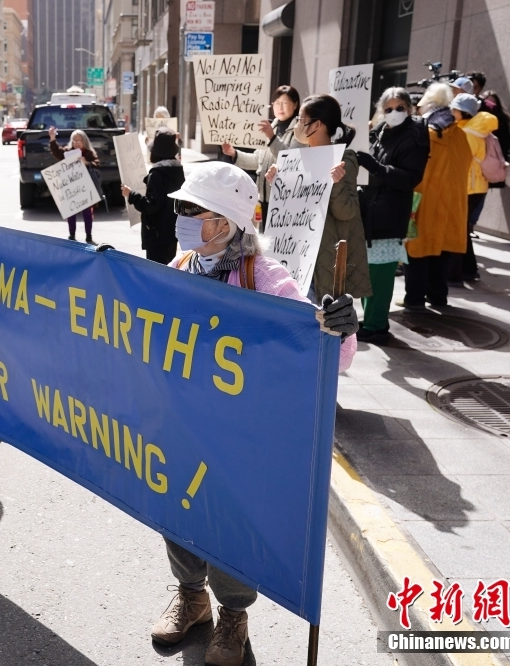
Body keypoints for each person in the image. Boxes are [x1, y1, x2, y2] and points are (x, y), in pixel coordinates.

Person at [153, 161, 358, 666]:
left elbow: (328, 352)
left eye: (189, 208)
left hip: (237, 442)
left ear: (223, 222)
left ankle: (233, 615)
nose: (177, 215)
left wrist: (340, 328)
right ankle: (192, 598)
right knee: (174, 513)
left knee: (229, 525)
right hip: (181, 427)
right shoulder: (179, 266)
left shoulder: (265, 278)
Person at [265, 94, 372, 304]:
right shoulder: (296, 159)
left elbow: (347, 212)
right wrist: (277, 182)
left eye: (301, 120)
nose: (297, 125)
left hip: (323, 261)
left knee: (318, 322)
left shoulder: (343, 159)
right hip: (295, 254)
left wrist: (337, 183)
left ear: (318, 125)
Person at [355, 88, 430, 343]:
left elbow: (410, 178)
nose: (394, 113)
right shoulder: (380, 131)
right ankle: (372, 319)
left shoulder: (415, 136)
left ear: (409, 108)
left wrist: (373, 165)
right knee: (369, 272)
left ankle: (377, 325)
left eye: (399, 107)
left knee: (381, 275)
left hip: (389, 214)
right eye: (388, 109)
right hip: (371, 212)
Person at [404, 83, 473, 309]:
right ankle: (438, 297)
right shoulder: (460, 134)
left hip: (424, 202)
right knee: (441, 252)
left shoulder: (427, 133)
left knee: (417, 251)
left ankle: (414, 299)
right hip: (451, 204)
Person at [221, 85, 301, 229]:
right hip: (263, 198)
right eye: (276, 103)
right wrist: (234, 153)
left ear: (295, 104)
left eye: (284, 102)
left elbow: (291, 159)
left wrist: (271, 137)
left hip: (285, 199)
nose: (280, 107)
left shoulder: (299, 130)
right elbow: (257, 161)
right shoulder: (271, 127)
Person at [450, 92, 498, 283]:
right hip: (476, 186)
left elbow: (460, 161)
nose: (452, 112)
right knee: (462, 229)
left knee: (458, 229)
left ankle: (459, 271)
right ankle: (469, 269)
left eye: (455, 109)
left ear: (463, 112)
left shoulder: (468, 133)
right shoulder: (474, 129)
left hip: (467, 186)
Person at [121, 127, 184, 264]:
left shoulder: (157, 174)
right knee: (169, 268)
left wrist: (131, 195)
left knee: (157, 271)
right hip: (172, 230)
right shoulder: (177, 170)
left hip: (157, 233)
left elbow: (151, 205)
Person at [48, 126, 100, 244]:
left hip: (85, 187)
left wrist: (86, 162)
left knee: (87, 212)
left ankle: (88, 235)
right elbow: (56, 152)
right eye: (74, 141)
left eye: (79, 141)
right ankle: (71, 234)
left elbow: (97, 164)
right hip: (71, 187)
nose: (76, 143)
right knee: (71, 211)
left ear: (84, 142)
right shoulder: (68, 151)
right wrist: (52, 139)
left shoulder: (89, 153)